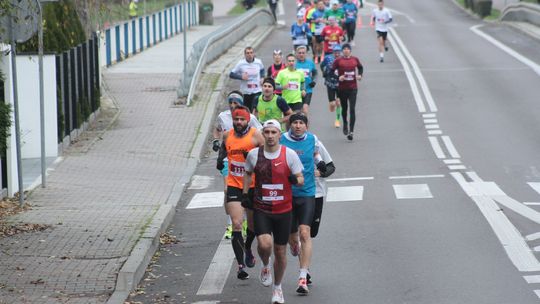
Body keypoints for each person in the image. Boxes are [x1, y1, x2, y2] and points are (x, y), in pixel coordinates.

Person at [243, 119, 304, 304]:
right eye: (266, 132)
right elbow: (247, 173)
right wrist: (245, 194)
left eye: (273, 132)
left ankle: (277, 288)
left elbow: (301, 178)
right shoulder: (254, 155)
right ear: (263, 134)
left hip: (284, 210)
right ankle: (265, 264)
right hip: (262, 208)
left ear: (279, 134)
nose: (270, 136)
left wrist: (295, 180)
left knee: (280, 251)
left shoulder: (289, 154)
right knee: (264, 244)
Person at [280, 113, 327, 295]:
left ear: (306, 126)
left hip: (307, 193)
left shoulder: (312, 139)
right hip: (288, 194)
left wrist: (321, 164)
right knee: (293, 239)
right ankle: (295, 247)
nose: (298, 126)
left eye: (301, 123)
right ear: (290, 125)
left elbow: (315, 155)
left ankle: (302, 275)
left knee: (305, 233)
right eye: (295, 123)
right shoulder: (282, 140)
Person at [217, 106, 264, 279]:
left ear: (248, 120)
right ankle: (240, 265)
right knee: (237, 223)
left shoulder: (256, 135)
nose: (238, 122)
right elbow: (223, 149)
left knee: (252, 226)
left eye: (242, 119)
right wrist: (219, 162)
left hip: (253, 186)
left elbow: (268, 154)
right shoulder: (228, 134)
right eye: (236, 119)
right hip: (234, 184)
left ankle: (248, 247)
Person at [213, 92, 262, 239]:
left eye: (236, 103)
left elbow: (259, 134)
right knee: (227, 190)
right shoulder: (223, 116)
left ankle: (245, 221)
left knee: (246, 191)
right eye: (231, 103)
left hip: (246, 160)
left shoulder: (250, 118)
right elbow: (217, 129)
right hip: (230, 158)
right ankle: (231, 223)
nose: (233, 105)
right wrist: (216, 142)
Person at [332, 43, 363, 141]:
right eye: (344, 49)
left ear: (350, 51)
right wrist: (338, 77)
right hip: (342, 88)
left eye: (347, 49)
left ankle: (351, 132)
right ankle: (345, 122)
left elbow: (360, 67)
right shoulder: (338, 60)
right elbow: (331, 71)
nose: (346, 50)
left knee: (352, 109)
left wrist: (360, 75)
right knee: (344, 109)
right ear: (342, 51)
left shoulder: (355, 59)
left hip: (353, 88)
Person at [229, 47, 265, 111]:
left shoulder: (258, 62)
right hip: (245, 91)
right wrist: (241, 77)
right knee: (246, 110)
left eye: (251, 53)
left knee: (255, 109)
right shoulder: (241, 63)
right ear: (245, 55)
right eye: (247, 53)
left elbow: (262, 70)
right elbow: (231, 74)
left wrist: (262, 77)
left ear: (253, 54)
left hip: (257, 90)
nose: (249, 55)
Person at [320, 44, 342, 128]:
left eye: (338, 52)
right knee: (333, 104)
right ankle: (332, 104)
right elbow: (322, 65)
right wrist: (324, 72)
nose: (337, 54)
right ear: (333, 52)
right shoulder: (328, 58)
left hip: (340, 84)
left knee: (339, 102)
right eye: (335, 52)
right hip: (330, 83)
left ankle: (337, 120)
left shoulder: (343, 59)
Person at [295, 45, 317, 115]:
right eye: (300, 53)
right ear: (296, 54)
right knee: (298, 112)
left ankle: (306, 125)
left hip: (308, 89)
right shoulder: (294, 64)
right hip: (296, 91)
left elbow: (315, 73)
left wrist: (314, 81)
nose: (301, 54)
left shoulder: (310, 63)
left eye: (303, 53)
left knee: (305, 108)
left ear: (306, 54)